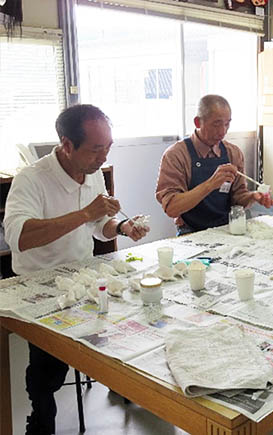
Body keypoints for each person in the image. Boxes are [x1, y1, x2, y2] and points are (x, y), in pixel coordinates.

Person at [4, 104, 150, 434]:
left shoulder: (94, 171)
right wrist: (85, 214)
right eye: (96, 149)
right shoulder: (32, 179)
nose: (103, 156)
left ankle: (120, 381)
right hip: (40, 286)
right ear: (67, 145)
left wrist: (123, 227)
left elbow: (100, 226)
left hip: (84, 275)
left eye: (108, 146)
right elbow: (19, 237)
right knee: (47, 372)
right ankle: (40, 422)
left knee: (127, 325)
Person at [156, 94, 273, 235]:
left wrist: (253, 197)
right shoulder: (176, 155)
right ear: (198, 122)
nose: (222, 131)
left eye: (227, 124)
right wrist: (210, 184)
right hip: (191, 232)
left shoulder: (233, 153)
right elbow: (171, 208)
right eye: (216, 124)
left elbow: (238, 198)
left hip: (226, 228)